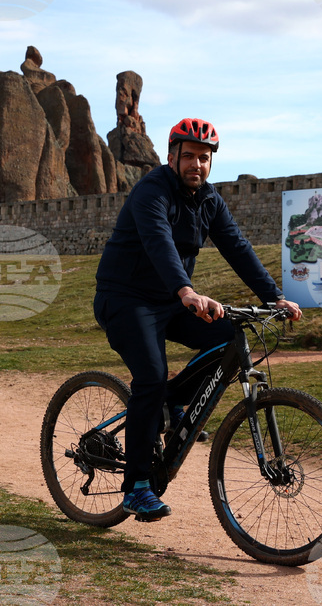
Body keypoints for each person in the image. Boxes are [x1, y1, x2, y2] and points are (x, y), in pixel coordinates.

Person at [93, 117, 302, 521]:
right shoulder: (152, 191)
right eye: (188, 156)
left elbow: (237, 247)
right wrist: (186, 290)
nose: (197, 164)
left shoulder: (209, 200)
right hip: (125, 299)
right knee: (150, 378)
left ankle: (171, 402)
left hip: (170, 301)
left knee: (228, 336)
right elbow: (158, 241)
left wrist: (274, 296)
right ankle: (137, 487)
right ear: (172, 156)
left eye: (204, 158)